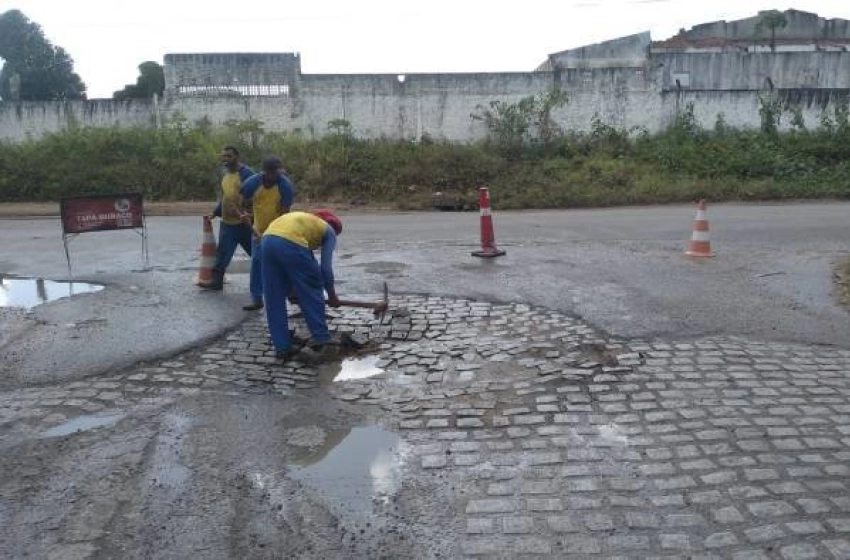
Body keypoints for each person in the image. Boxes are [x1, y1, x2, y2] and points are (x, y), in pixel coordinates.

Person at [261, 209, 343, 361]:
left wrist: (291, 291)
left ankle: (282, 348)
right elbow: (325, 269)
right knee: (313, 287)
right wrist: (332, 296)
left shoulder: (305, 222)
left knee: (274, 297)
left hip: (266, 241)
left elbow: (293, 269)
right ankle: (321, 339)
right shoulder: (329, 231)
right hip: (290, 242)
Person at [239, 157, 295, 311]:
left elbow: (285, 213)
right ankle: (257, 299)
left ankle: (291, 292)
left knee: (282, 262)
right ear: (265, 172)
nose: (278, 175)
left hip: (278, 230)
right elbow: (240, 202)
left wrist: (276, 234)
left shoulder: (285, 186)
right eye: (274, 173)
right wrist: (244, 214)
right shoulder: (252, 183)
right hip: (258, 229)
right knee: (257, 263)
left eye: (279, 172)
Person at [199, 146, 255, 291]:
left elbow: (256, 196)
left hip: (245, 222)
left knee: (257, 253)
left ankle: (273, 279)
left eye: (229, 156)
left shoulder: (247, 174)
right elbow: (226, 197)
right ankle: (216, 282)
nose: (225, 159)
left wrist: (248, 213)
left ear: (237, 157)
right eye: (223, 156)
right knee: (222, 253)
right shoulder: (225, 175)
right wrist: (215, 212)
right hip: (228, 222)